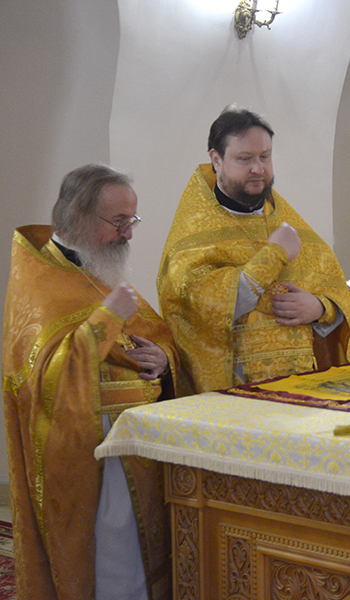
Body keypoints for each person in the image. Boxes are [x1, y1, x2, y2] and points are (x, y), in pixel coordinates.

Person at [3, 164, 178, 600]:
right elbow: (44, 381)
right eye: (118, 222)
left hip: (139, 448)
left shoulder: (100, 269)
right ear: (79, 217)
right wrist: (107, 318)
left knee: (143, 557)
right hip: (89, 457)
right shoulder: (39, 281)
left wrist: (164, 360)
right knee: (111, 559)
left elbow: (156, 336)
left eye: (132, 220)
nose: (128, 234)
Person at [158, 106, 350, 395]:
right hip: (238, 392)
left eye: (265, 157)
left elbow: (336, 291)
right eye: (245, 159)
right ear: (216, 159)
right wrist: (273, 255)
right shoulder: (195, 232)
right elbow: (202, 310)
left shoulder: (289, 223)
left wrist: (320, 308)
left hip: (306, 388)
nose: (258, 168)